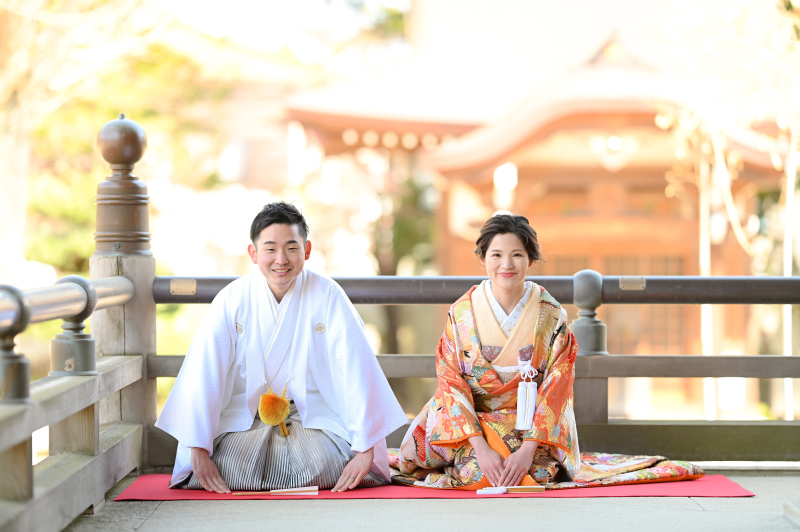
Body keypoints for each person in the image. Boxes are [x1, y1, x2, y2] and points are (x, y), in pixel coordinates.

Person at [156, 202, 408, 493]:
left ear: (307, 250)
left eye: (291, 248)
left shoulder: (328, 295)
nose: (281, 259)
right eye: (270, 249)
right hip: (246, 419)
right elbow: (205, 370)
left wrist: (365, 447)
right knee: (227, 464)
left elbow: (354, 366)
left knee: (327, 462)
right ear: (253, 253)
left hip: (312, 418)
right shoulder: (232, 299)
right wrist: (198, 446)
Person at [390, 214, 581, 489]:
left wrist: (528, 450)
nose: (507, 264)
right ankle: (469, 455)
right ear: (482, 258)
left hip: (529, 423)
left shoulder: (551, 315)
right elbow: (451, 381)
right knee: (476, 474)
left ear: (530, 259)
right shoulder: (462, 313)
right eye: (496, 255)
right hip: (474, 422)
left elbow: (557, 385)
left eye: (517, 254)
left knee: (537, 475)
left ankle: (522, 454)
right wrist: (480, 447)